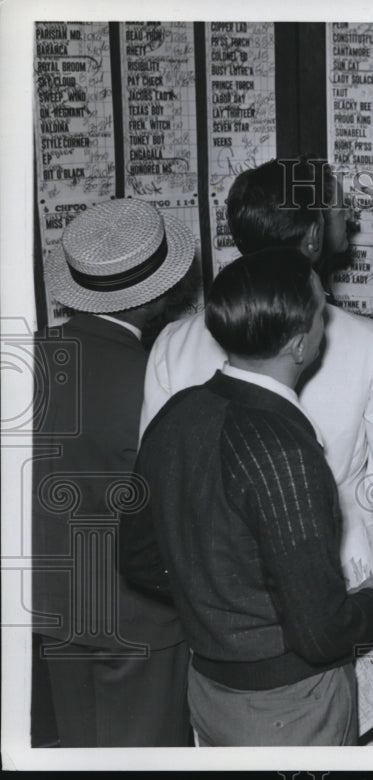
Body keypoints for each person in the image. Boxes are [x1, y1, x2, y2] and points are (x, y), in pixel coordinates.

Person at [121, 249, 373, 746]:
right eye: (320, 311)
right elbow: (322, 632)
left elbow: (138, 558)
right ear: (299, 344)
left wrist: (219, 600)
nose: (326, 320)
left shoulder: (179, 412)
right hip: (288, 705)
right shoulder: (284, 451)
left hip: (208, 688)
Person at [140, 158, 373, 589]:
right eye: (340, 208)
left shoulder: (174, 340)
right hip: (345, 574)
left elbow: (159, 479)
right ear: (314, 233)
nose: (350, 216)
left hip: (219, 576)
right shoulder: (371, 341)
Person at [33, 198, 196, 746]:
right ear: (159, 295)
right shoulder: (155, 380)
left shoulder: (29, 357)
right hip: (142, 622)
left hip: (52, 611)